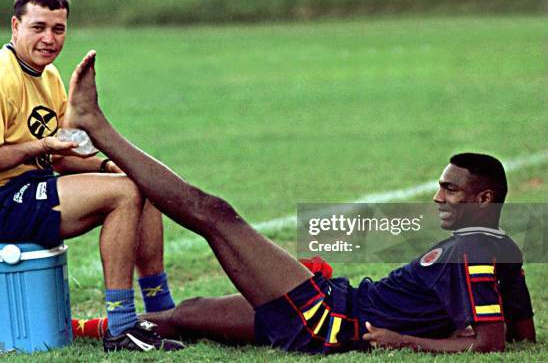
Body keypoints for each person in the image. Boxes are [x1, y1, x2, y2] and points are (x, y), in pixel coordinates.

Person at [64, 50, 535, 354]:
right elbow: (521, 333)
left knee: (214, 215)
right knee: (190, 313)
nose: (437, 197)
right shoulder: (501, 247)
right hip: (332, 301)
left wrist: (401, 340)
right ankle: (77, 330)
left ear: (485, 198)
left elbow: (488, 343)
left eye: (450, 189)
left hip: (324, 317)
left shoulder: (475, 249)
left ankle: (97, 126)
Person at [0, 0, 182, 352]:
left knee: (139, 181)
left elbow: (60, 154)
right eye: (38, 27)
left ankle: (162, 311)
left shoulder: (50, 76)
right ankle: (121, 327)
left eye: (58, 29)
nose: (49, 39)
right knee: (124, 194)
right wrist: (38, 146)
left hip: (30, 190)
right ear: (15, 26)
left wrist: (108, 165)